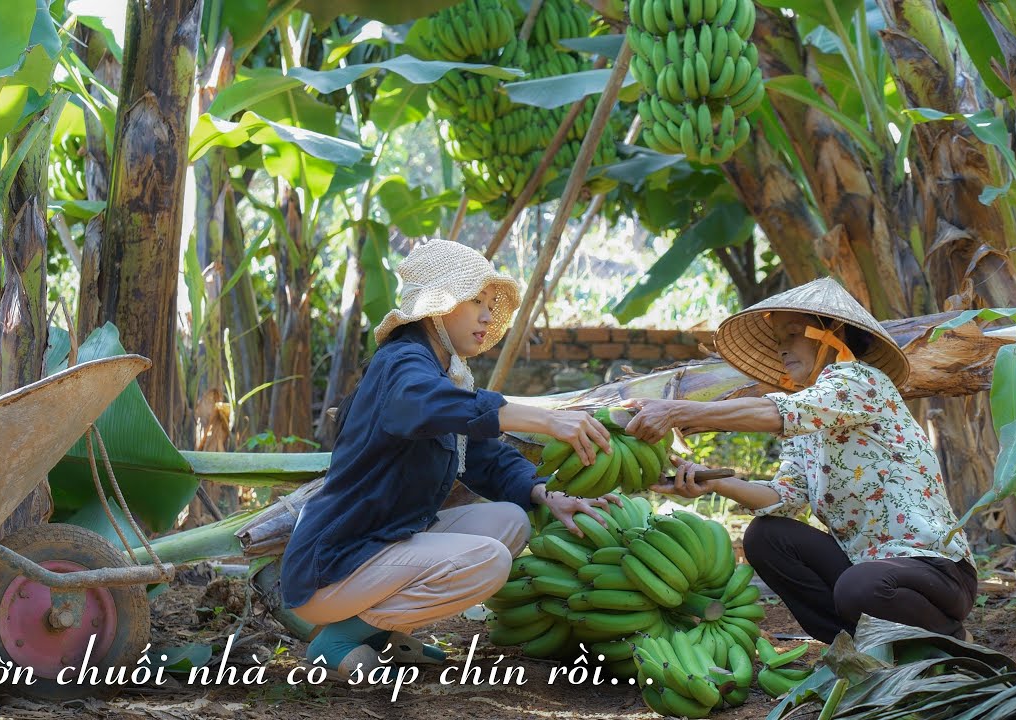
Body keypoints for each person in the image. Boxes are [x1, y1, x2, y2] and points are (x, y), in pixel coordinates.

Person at [276, 239, 617, 679]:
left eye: (490, 304)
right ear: (437, 307)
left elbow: (486, 458)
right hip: (335, 565)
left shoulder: (445, 373)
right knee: (489, 561)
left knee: (512, 521)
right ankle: (339, 638)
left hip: (384, 544)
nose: (487, 315)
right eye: (475, 300)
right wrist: (547, 420)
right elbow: (424, 403)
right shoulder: (402, 363)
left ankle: (377, 634)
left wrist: (546, 493)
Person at [623, 277, 976, 644]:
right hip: (866, 569)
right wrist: (711, 482)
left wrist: (678, 411)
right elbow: (784, 496)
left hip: (934, 570)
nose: (782, 349)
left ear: (832, 332)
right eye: (778, 341)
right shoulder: (809, 426)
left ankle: (948, 638)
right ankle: (863, 646)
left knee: (859, 587)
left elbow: (782, 411)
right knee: (766, 536)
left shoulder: (860, 380)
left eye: (791, 335)